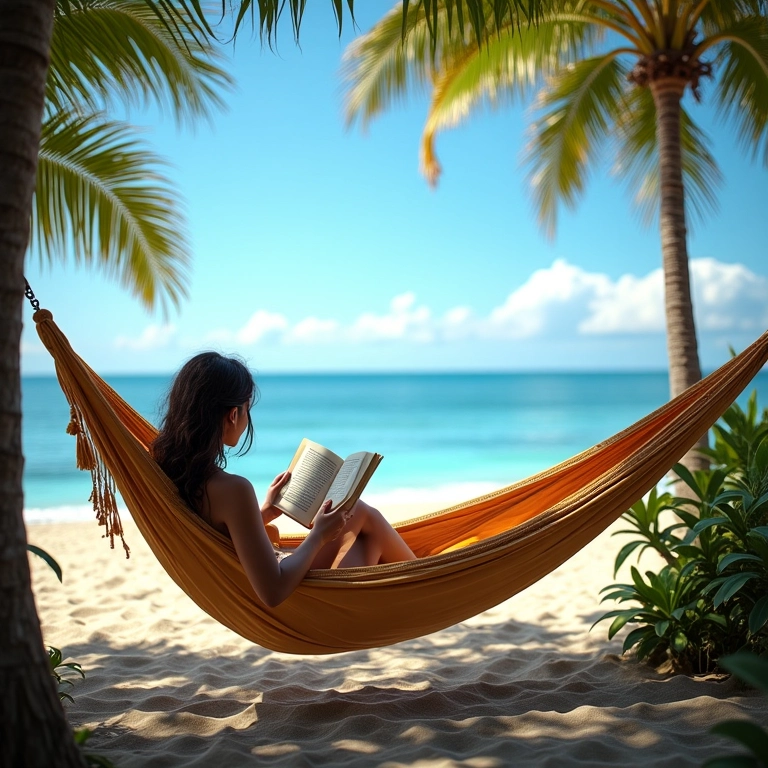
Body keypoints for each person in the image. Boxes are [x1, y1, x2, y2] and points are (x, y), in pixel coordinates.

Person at [152, 352, 416, 607]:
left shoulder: (165, 464)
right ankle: (422, 585)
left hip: (246, 585)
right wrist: (319, 536)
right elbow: (273, 591)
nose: (247, 419)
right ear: (233, 414)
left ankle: (416, 586)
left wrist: (264, 512)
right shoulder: (234, 490)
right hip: (290, 599)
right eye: (247, 409)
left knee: (364, 530)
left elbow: (217, 531)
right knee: (363, 520)